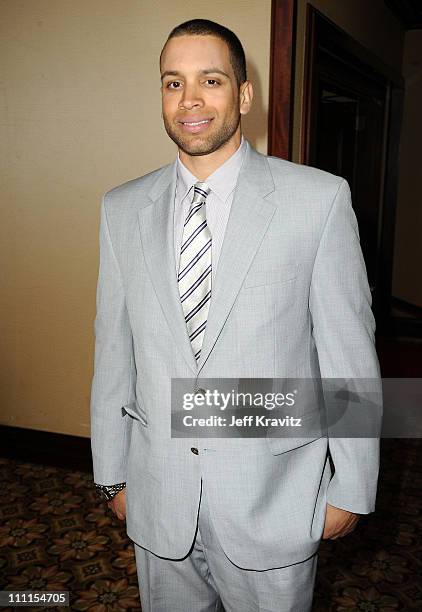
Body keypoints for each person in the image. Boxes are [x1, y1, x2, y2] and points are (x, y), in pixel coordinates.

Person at [90, 19, 381, 612]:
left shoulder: (317, 200)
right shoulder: (121, 208)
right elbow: (112, 353)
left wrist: (352, 485)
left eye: (211, 80)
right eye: (173, 83)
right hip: (158, 495)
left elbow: (348, 354)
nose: (190, 99)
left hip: (273, 498)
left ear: (244, 95)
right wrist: (112, 476)